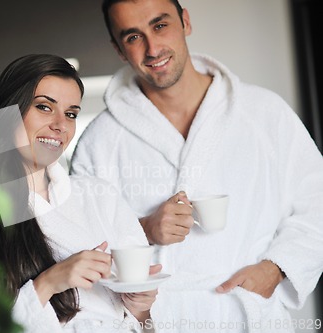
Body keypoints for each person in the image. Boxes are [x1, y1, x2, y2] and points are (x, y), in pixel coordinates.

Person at [70, 0, 323, 332]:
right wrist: (143, 229)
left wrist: (276, 269)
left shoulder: (264, 113)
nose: (152, 48)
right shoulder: (99, 141)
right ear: (118, 49)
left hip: (251, 317)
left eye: (160, 25)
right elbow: (77, 247)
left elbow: (317, 203)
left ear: (185, 22)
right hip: (159, 322)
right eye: (133, 37)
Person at [0, 54, 162, 333]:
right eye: (44, 107)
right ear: (7, 114)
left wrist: (140, 307)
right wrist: (48, 283)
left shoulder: (100, 196)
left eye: (71, 113)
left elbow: (145, 324)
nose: (61, 124)